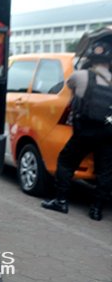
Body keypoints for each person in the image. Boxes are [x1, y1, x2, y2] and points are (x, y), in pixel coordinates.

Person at [42, 39, 112, 221]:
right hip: (107, 133)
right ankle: (96, 210)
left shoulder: (81, 76)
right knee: (105, 171)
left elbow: (69, 85)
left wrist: (83, 66)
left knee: (66, 162)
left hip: (85, 130)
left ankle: (61, 201)